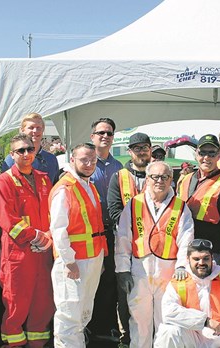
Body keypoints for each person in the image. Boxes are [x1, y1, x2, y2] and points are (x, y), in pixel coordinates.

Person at [115, 160, 194, 347]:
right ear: (147, 179)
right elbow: (123, 238)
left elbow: (186, 240)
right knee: (139, 321)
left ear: (171, 180)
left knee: (165, 321)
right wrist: (122, 270)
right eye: (155, 177)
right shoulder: (134, 204)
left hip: (169, 272)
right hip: (139, 271)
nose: (160, 180)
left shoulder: (181, 206)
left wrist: (182, 265)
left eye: (165, 177)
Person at [0, 133, 55, 347]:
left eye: (29, 149)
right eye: (21, 150)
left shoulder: (44, 178)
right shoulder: (4, 180)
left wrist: (49, 237)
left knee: (43, 303)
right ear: (12, 154)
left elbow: (53, 213)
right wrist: (36, 236)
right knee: (16, 304)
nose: (26, 154)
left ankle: (37, 344)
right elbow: (6, 219)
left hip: (43, 253)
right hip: (19, 254)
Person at [49, 142, 108, 348]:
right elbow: (58, 230)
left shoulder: (89, 186)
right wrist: (69, 261)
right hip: (74, 263)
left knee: (83, 314)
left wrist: (99, 260)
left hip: (91, 259)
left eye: (93, 160)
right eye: (84, 159)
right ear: (72, 160)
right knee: (68, 316)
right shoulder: (65, 189)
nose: (89, 163)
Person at [154, 239, 220, 348]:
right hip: (191, 339)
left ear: (212, 258)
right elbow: (168, 313)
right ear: (187, 259)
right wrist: (205, 321)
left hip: (219, 341)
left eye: (205, 258)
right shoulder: (178, 282)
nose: (201, 263)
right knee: (168, 331)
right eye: (196, 259)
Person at [106, 132, 151, 344]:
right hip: (126, 244)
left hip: (156, 246)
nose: (141, 151)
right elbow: (114, 209)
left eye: (145, 147)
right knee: (126, 290)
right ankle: (126, 335)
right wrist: (135, 228)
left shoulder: (160, 174)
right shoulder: (119, 176)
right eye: (137, 148)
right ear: (130, 152)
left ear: (150, 149)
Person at [86, 117, 124, 344]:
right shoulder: (86, 162)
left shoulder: (119, 167)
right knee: (91, 281)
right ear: (92, 136)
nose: (105, 136)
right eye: (101, 133)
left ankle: (105, 327)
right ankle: (89, 326)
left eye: (109, 133)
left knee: (109, 281)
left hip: (112, 233)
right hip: (89, 233)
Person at [178, 134, 220, 266]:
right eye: (202, 153)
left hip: (213, 254)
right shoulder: (186, 180)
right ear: (196, 154)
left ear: (219, 156)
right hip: (186, 250)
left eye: (212, 153)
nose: (206, 158)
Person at [1, 112, 59, 185]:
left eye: (38, 128)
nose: (35, 131)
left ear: (43, 129)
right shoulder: (11, 160)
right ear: (22, 130)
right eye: (31, 128)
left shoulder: (51, 160)